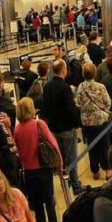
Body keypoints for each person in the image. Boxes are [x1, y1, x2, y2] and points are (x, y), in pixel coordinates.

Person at [14, 98, 63, 222]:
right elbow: (53, 143)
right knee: (49, 198)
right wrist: (59, 162)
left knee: (36, 201)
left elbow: (18, 149)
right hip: (43, 167)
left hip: (28, 170)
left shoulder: (17, 129)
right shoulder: (39, 124)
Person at [43, 59, 83, 194]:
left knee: (61, 158)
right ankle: (76, 185)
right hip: (66, 128)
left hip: (54, 128)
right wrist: (77, 123)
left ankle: (64, 182)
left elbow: (46, 107)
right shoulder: (65, 87)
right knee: (71, 157)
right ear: (64, 70)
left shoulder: (47, 86)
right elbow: (70, 109)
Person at [76, 63, 112, 180]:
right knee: (104, 145)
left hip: (87, 122)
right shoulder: (100, 87)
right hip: (101, 120)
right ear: (94, 73)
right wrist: (103, 111)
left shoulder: (80, 87)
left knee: (91, 146)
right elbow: (108, 102)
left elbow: (79, 103)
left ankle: (95, 171)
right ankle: (107, 170)